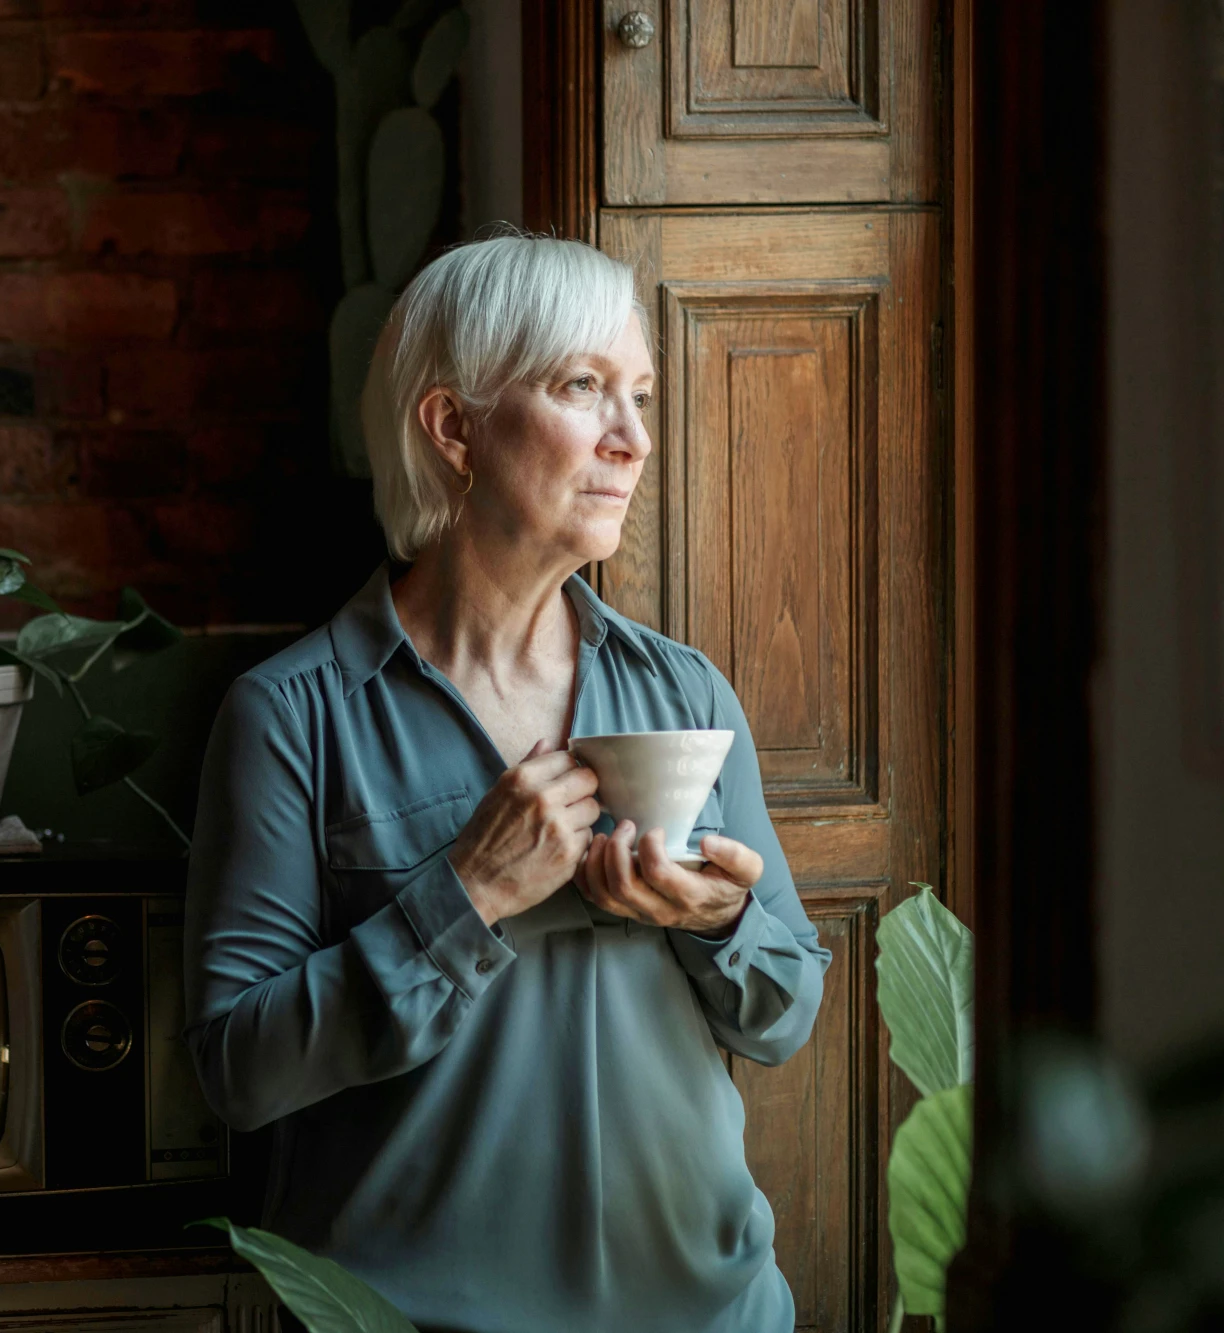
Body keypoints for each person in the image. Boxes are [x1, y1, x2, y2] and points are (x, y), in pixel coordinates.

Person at [183, 233, 833, 1332]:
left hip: (713, 1317)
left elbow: (786, 1014)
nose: (631, 440)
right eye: (583, 388)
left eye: (637, 394)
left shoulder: (688, 692)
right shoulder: (289, 717)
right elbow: (236, 1070)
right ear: (453, 428)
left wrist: (719, 918)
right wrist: (466, 895)